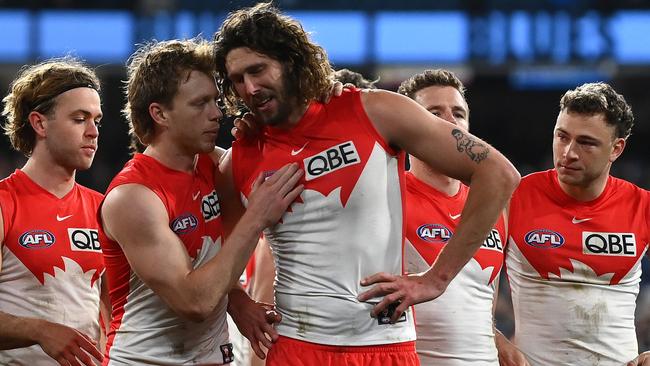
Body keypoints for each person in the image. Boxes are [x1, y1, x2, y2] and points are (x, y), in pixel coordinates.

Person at [212, 3, 520, 365]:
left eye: (258, 70)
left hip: (385, 348)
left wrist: (436, 279)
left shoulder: (374, 111)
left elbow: (498, 174)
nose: (249, 87)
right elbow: (217, 255)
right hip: (297, 349)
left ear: (290, 62)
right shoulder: (240, 157)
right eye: (236, 79)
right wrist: (238, 301)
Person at [99, 38, 303, 365]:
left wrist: (237, 298)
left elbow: (210, 261)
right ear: (160, 113)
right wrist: (256, 217)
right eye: (200, 104)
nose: (217, 114)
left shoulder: (215, 165)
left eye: (216, 101)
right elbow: (195, 302)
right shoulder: (133, 196)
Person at [505, 82, 650, 366]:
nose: (568, 153)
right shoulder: (513, 196)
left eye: (586, 143)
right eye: (562, 137)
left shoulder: (642, 206)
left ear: (616, 148)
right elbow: (467, 282)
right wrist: (494, 337)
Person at [397, 69, 528, 366]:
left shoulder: (493, 205)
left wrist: (495, 337)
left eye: (458, 113)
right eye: (434, 112)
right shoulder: (386, 196)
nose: (450, 122)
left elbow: (480, 297)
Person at [0, 58, 108, 365]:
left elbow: (118, 313)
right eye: (79, 119)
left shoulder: (104, 208)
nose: (93, 132)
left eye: (96, 120)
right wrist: (41, 331)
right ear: (39, 123)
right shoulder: (5, 203)